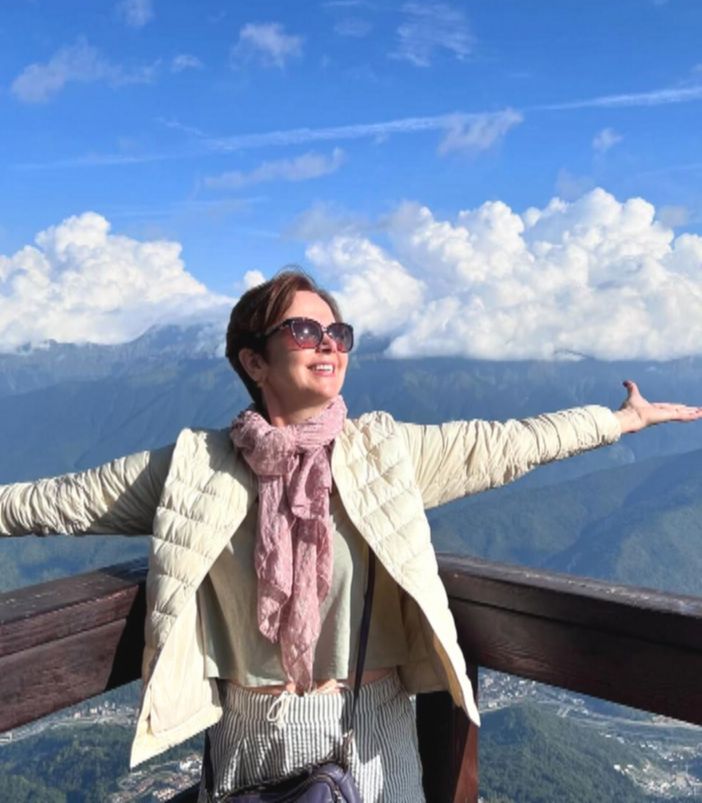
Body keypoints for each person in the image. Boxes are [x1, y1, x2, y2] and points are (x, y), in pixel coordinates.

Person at [0, 269, 700, 802]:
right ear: (253, 361)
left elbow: (506, 444)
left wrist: (620, 421)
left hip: (370, 737)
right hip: (247, 737)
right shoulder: (195, 465)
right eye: (305, 331)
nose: (329, 344)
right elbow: (61, 501)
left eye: (339, 333)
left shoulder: (382, 451)